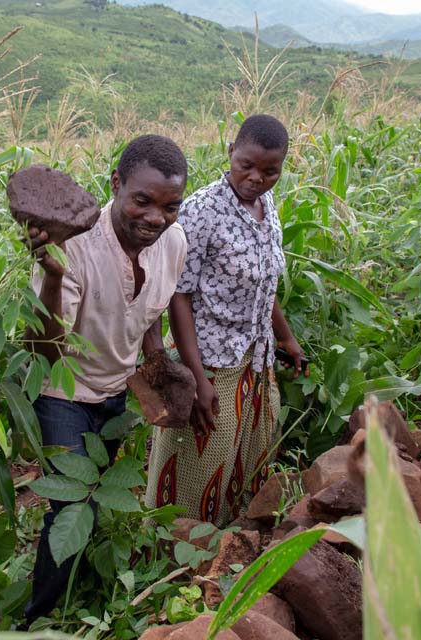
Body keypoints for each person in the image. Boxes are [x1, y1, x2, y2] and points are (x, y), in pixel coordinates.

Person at [22, 134, 188, 625]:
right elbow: (44, 351)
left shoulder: (171, 242)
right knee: (71, 510)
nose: (156, 217)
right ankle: (38, 619)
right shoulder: (73, 244)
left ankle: (79, 594)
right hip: (63, 392)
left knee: (92, 496)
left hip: (116, 392)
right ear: (116, 184)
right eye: (142, 200)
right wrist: (51, 278)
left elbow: (150, 311)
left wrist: (159, 367)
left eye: (170, 206)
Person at [145, 114, 306, 526]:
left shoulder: (265, 207)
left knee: (245, 463)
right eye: (247, 165)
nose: (256, 178)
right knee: (198, 462)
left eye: (270, 171)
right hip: (212, 360)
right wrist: (196, 378)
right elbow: (178, 296)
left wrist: (285, 338)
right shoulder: (202, 211)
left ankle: (228, 550)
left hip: (255, 357)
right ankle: (170, 556)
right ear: (230, 152)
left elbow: (263, 283)